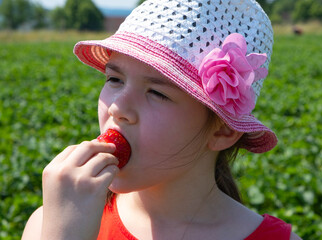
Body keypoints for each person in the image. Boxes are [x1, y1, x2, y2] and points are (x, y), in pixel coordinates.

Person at [22, 0, 302, 239]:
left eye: (156, 92)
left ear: (223, 131)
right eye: (114, 79)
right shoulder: (49, 225)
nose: (117, 108)